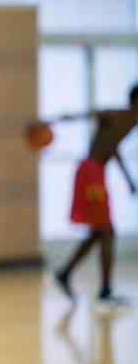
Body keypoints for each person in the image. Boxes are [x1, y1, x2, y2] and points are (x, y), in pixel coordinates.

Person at [54, 84, 138, 304]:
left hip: (97, 173)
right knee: (107, 230)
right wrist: (52, 121)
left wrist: (128, 178)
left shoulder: (132, 122)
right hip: (90, 172)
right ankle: (105, 290)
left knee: (100, 232)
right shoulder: (118, 115)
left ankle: (66, 273)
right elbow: (88, 114)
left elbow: (113, 148)